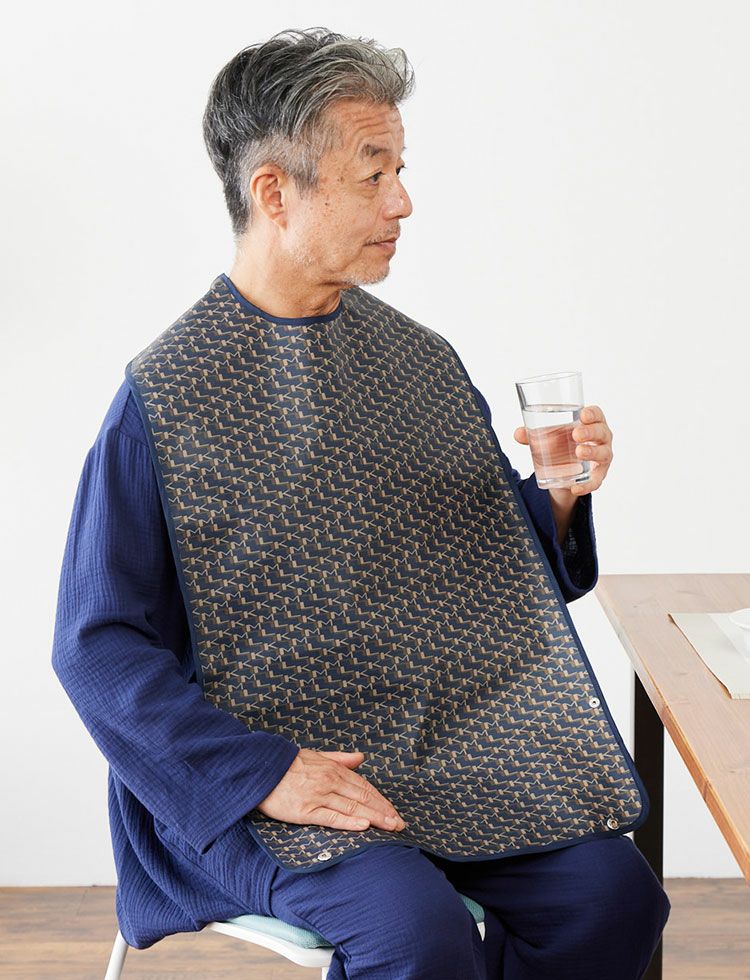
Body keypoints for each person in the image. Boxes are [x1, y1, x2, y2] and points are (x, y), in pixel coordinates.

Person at [52, 27, 670, 978]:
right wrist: (266, 771)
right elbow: (95, 646)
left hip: (441, 749)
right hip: (246, 781)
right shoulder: (165, 398)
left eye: (400, 171)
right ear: (274, 193)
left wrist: (558, 499)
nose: (403, 201)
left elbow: (488, 574)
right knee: (414, 932)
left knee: (614, 895)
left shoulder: (418, 361)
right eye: (372, 174)